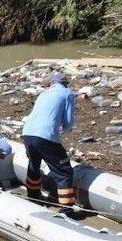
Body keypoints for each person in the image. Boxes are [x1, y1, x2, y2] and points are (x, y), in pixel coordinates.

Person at [21, 72, 78, 216]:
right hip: (45, 136)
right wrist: (66, 128)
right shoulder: (67, 93)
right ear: (65, 83)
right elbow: (68, 123)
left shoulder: (43, 94)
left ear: (51, 83)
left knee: (34, 165)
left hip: (27, 134)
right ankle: (67, 210)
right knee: (64, 171)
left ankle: (33, 196)